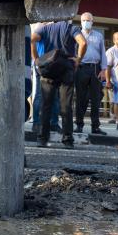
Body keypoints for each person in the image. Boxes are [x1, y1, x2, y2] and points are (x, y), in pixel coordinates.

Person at [30, 21, 86, 149]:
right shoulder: (71, 28)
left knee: (46, 105)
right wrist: (78, 59)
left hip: (49, 68)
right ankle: (67, 140)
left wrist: (37, 60)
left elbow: (32, 40)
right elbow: (83, 43)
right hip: (66, 68)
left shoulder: (45, 28)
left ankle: (42, 138)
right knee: (66, 106)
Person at [74, 12, 107, 135]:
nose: (86, 22)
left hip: (95, 69)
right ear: (81, 21)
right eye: (84, 20)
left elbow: (103, 53)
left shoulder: (98, 36)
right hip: (81, 68)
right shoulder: (77, 34)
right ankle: (79, 125)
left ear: (93, 22)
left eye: (89, 20)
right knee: (81, 98)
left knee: (96, 99)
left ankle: (95, 127)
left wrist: (103, 70)